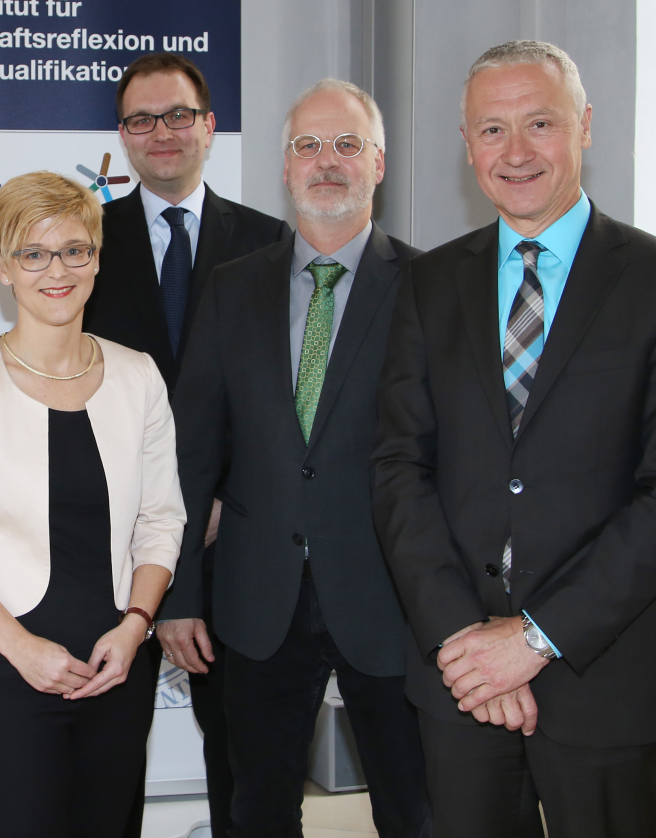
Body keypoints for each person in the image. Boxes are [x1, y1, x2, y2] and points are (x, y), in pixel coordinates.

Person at [371, 41, 656, 838]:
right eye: (492, 130)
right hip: (459, 679)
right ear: (466, 146)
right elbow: (399, 466)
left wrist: (532, 639)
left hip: (606, 677)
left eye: (540, 122)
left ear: (584, 127)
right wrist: (465, 639)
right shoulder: (428, 284)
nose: (517, 151)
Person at [157, 81, 431, 838]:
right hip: (256, 597)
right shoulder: (230, 288)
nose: (326, 161)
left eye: (347, 144)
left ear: (379, 162)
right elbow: (191, 451)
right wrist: (178, 592)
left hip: (391, 597)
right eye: (308, 145)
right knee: (258, 810)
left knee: (415, 806)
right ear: (285, 166)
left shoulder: (432, 289)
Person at [0, 171, 186, 838]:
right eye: (33, 252)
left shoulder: (138, 376)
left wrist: (137, 625)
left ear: (96, 257)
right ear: (2, 264)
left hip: (116, 672)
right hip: (4, 674)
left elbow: (162, 519)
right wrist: (22, 648)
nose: (56, 269)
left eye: (75, 249)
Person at [83, 52, 284, 836]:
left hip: (235, 540)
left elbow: (283, 404)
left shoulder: (272, 243)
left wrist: (219, 501)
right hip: (112, 543)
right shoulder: (84, 247)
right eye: (140, 120)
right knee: (108, 760)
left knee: (245, 760)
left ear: (208, 125)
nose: (159, 133)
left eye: (176, 116)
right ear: (123, 137)